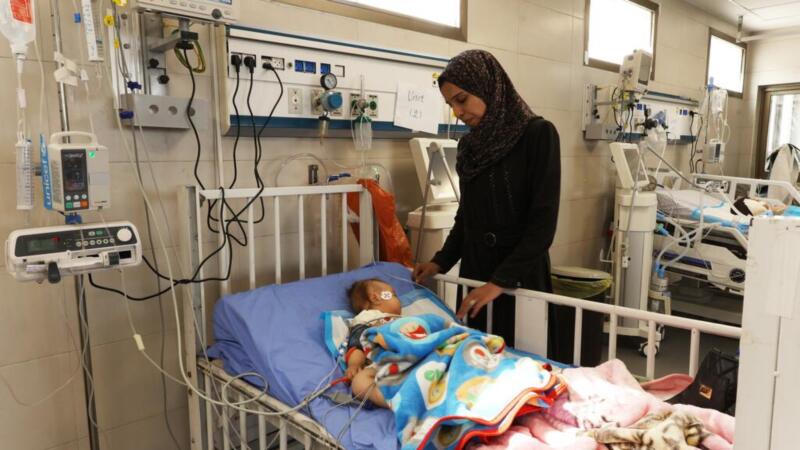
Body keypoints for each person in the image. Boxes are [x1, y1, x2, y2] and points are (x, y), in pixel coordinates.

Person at [412, 49, 563, 356]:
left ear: (488, 87)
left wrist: (498, 283)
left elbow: (542, 226)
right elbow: (467, 217)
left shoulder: (538, 135)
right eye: (451, 104)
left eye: (462, 99)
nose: (458, 112)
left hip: (521, 275)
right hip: (476, 272)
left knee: (525, 363)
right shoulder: (469, 147)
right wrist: (440, 261)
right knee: (476, 361)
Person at [344, 278, 402, 408]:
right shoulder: (368, 318)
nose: (399, 300)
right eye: (394, 295)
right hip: (384, 362)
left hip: (412, 354)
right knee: (359, 382)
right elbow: (357, 343)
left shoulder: (402, 320)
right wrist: (354, 365)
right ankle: (393, 401)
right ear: (376, 298)